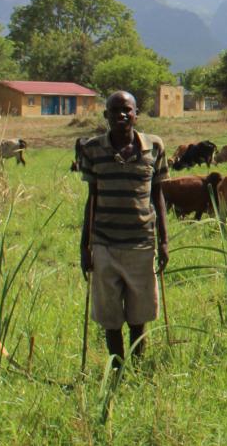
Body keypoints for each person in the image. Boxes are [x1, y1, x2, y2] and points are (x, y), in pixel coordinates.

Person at [77, 91, 169, 369]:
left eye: (127, 110)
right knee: (110, 316)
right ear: (105, 116)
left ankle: (137, 367)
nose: (121, 115)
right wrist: (85, 246)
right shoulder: (92, 150)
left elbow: (159, 195)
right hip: (104, 243)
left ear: (136, 114)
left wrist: (164, 241)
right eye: (115, 111)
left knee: (139, 315)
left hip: (141, 243)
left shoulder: (154, 147)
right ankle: (116, 367)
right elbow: (92, 198)